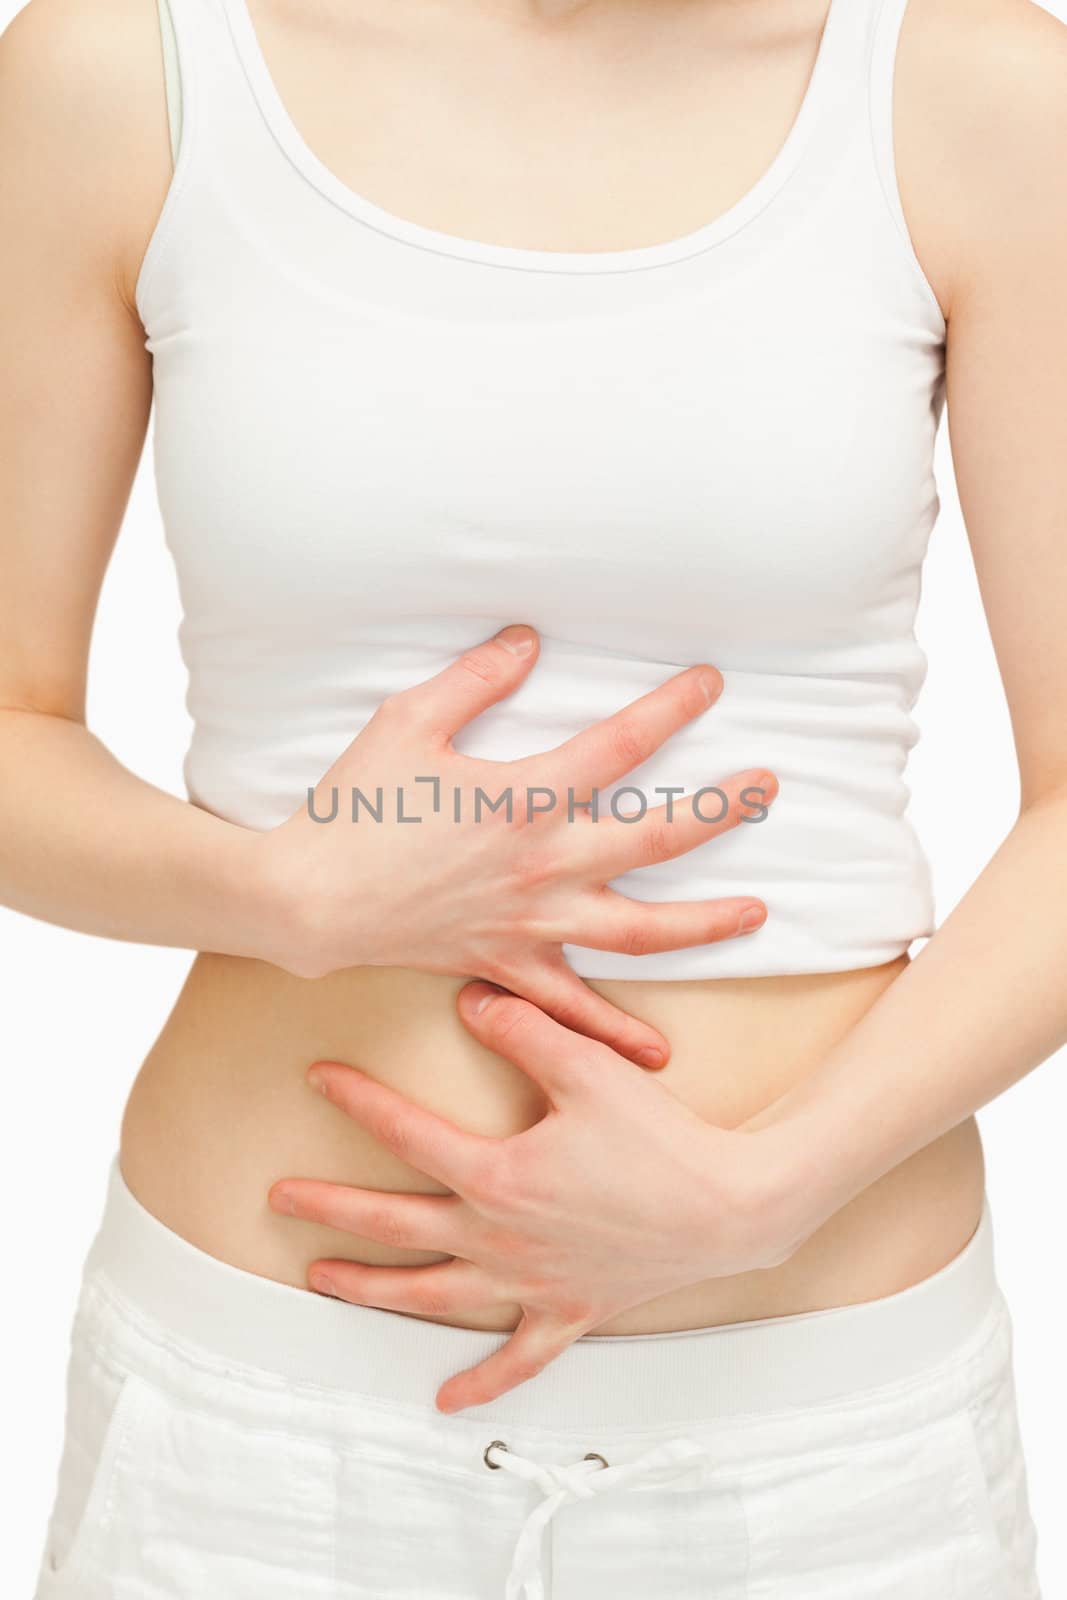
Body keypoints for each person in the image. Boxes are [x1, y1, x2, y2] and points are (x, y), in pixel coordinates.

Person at [2, 0, 1062, 1592]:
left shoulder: (983, 89)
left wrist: (761, 1192)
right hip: (261, 1444)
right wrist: (289, 893)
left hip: (825, 1441)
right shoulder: (117, 69)